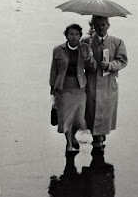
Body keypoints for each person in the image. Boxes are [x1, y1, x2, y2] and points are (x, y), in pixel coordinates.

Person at [84, 16, 128, 151]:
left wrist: (109, 65)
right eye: (97, 25)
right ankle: (97, 139)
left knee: (105, 111)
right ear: (93, 26)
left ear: (108, 25)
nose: (100, 28)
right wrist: (90, 61)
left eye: (103, 25)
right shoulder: (86, 42)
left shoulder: (117, 42)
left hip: (109, 84)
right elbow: (81, 62)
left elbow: (122, 61)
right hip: (91, 82)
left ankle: (101, 137)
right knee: (91, 111)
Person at [50, 24, 92, 153]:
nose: (74, 37)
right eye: (71, 34)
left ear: (80, 36)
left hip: (79, 87)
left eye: (77, 34)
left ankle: (73, 136)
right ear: (66, 36)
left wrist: (89, 58)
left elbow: (92, 67)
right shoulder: (58, 50)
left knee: (79, 118)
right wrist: (52, 88)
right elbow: (54, 70)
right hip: (63, 87)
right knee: (66, 117)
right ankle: (69, 143)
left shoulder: (85, 48)